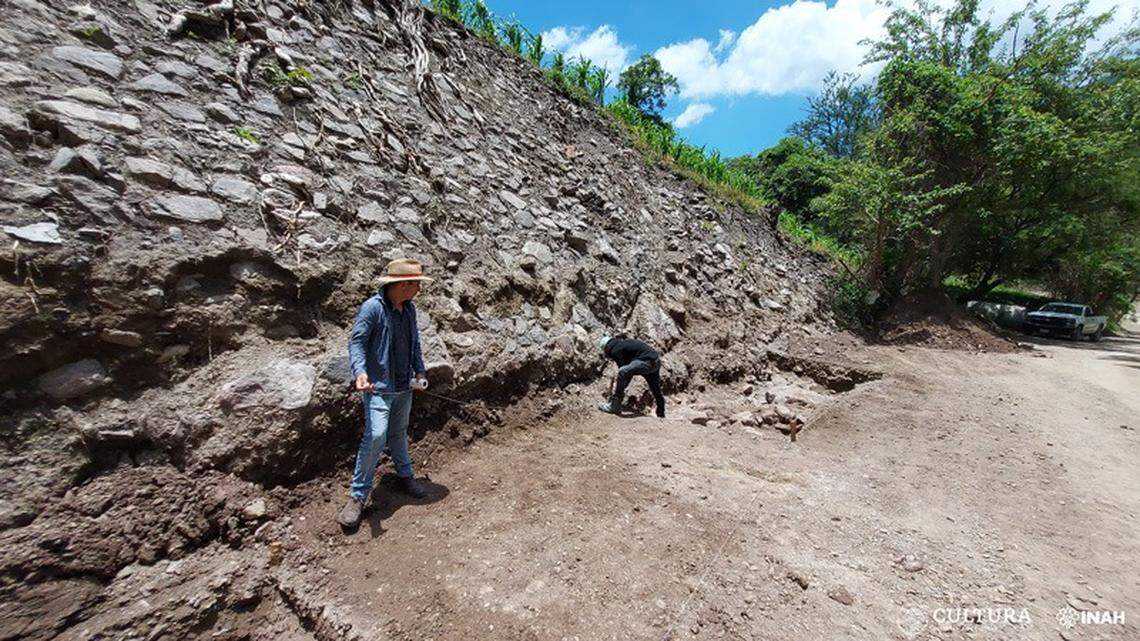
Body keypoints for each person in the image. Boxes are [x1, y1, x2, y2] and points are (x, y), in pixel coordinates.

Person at [338, 258, 433, 528]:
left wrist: (420, 371)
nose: (418, 289)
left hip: (404, 385)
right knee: (376, 435)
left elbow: (414, 341)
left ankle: (405, 477)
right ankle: (357, 497)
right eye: (416, 284)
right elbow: (357, 342)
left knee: (398, 432)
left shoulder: (409, 309)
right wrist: (360, 372)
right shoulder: (372, 308)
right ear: (403, 284)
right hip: (378, 387)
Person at [597, 335, 666, 418]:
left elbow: (624, 373)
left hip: (646, 362)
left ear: (606, 348)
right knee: (656, 389)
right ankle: (661, 414)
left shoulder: (615, 351)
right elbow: (628, 373)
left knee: (623, 372)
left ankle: (615, 405)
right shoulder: (622, 344)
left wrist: (618, 391)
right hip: (655, 361)